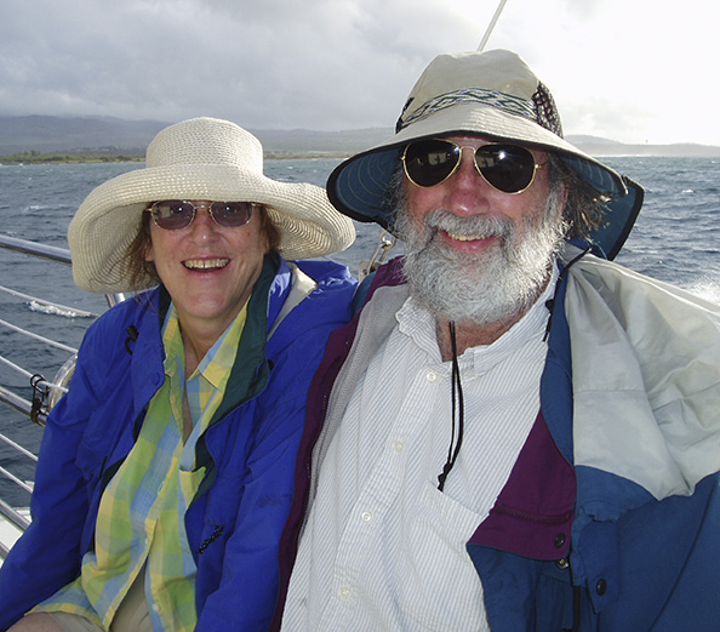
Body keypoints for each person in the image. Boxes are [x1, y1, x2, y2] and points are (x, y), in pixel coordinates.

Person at [272, 50, 720, 631]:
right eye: (432, 161)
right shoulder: (361, 322)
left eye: (504, 165)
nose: (463, 196)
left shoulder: (624, 410)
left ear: (559, 196)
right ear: (402, 191)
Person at [0, 117, 357, 632]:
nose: (203, 233)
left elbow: (259, 558)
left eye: (231, 210)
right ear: (147, 242)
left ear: (266, 235)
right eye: (174, 212)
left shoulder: (309, 349)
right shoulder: (114, 341)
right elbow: (60, 508)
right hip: (93, 597)